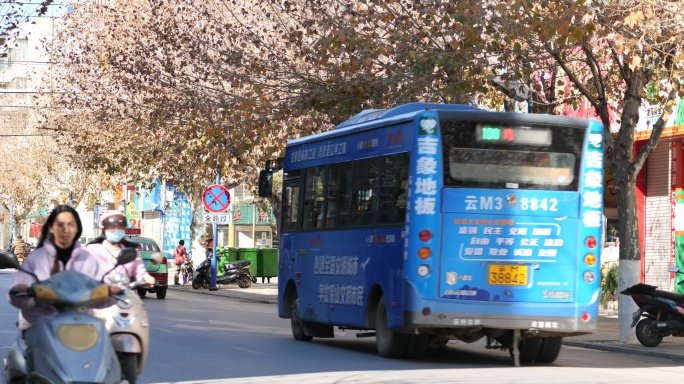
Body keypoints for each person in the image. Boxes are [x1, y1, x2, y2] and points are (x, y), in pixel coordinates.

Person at [7, 205, 109, 374]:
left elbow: (101, 290)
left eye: (71, 224)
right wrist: (22, 291)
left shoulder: (88, 259)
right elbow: (17, 294)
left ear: (77, 228)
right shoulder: (36, 259)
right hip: (39, 325)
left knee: (107, 366)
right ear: (51, 228)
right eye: (60, 225)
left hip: (82, 327)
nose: (66, 229)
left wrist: (110, 291)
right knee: (25, 368)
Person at [87, 211, 155, 286]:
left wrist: (147, 279)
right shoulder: (93, 250)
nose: (116, 231)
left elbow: (140, 271)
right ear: (104, 230)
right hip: (98, 294)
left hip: (124, 294)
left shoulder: (131, 251)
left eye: (120, 227)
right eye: (112, 228)